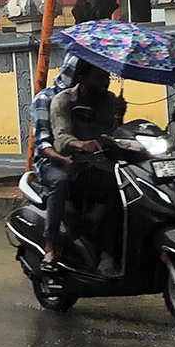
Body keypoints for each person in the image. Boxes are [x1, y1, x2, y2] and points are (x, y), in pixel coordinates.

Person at [48, 61, 125, 274]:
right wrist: (81, 144)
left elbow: (115, 136)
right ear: (82, 77)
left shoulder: (109, 100)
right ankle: (105, 254)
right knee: (114, 190)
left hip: (105, 165)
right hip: (75, 167)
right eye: (99, 77)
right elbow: (60, 139)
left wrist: (120, 115)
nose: (106, 82)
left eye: (107, 77)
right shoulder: (63, 101)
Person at [30, 55, 79, 264]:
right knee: (61, 181)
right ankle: (50, 243)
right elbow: (42, 145)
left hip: (85, 160)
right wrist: (64, 161)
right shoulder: (46, 99)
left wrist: (117, 114)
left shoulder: (98, 99)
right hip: (50, 162)